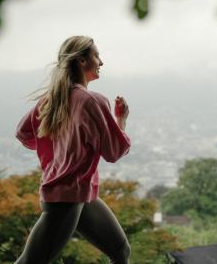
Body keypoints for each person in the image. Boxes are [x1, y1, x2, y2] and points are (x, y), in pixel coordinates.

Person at [13, 35, 132, 264]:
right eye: (96, 55)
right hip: (66, 198)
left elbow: (23, 132)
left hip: (78, 192)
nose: (101, 62)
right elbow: (114, 151)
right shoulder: (91, 101)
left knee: (121, 251)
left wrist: (58, 150)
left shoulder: (52, 100)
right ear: (82, 61)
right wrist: (121, 120)